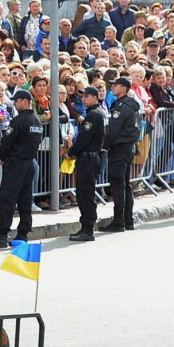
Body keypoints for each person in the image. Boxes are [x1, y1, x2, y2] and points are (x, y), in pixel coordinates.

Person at [0, 89, 42, 248]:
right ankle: (23, 233)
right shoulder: (36, 121)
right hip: (29, 163)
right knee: (25, 199)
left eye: (16, 101)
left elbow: (7, 142)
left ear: (24, 101)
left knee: (7, 199)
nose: (14, 104)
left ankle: (2, 235)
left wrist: (2, 157)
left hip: (16, 164)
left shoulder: (18, 121)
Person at [100, 76, 142, 232]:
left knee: (118, 185)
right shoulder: (130, 106)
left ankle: (119, 221)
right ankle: (127, 219)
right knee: (125, 184)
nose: (113, 88)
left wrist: (104, 146)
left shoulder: (121, 107)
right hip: (128, 147)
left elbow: (113, 131)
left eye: (116, 85)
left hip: (120, 148)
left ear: (123, 88)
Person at [67, 86, 106, 242]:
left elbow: (84, 138)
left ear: (95, 98)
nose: (83, 99)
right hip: (90, 157)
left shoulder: (93, 116)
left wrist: (71, 152)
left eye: (87, 96)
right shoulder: (95, 113)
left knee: (85, 194)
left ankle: (88, 228)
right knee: (84, 192)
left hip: (88, 158)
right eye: (83, 97)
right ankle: (86, 226)